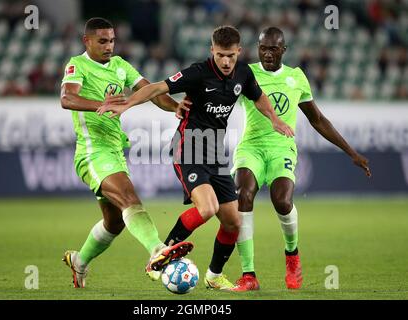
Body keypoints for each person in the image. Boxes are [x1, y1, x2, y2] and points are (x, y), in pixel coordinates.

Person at [98, 25, 294, 290]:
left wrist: (274, 118)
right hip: (188, 146)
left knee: (233, 221)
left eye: (231, 56)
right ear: (212, 50)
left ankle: (213, 276)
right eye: (221, 55)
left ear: (239, 52)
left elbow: (259, 97)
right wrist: (128, 103)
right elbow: (157, 87)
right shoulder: (198, 73)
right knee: (208, 208)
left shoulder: (244, 73)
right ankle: (160, 254)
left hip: (215, 151)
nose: (226, 61)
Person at [230, 27, 372, 291]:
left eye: (273, 49)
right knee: (244, 195)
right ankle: (248, 274)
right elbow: (221, 99)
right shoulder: (245, 72)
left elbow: (317, 120)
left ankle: (292, 255)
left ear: (284, 50)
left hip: (282, 148)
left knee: (282, 201)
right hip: (250, 147)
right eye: (263, 48)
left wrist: (351, 152)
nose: (267, 54)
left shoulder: (296, 78)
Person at [60, 17, 193, 288]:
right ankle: (157, 250)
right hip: (92, 151)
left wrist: (174, 106)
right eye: (102, 41)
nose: (109, 46)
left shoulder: (120, 66)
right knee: (130, 199)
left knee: (114, 222)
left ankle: (79, 262)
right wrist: (103, 104)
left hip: (114, 151)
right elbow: (67, 98)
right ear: (87, 41)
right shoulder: (78, 64)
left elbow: (151, 91)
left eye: (111, 40)